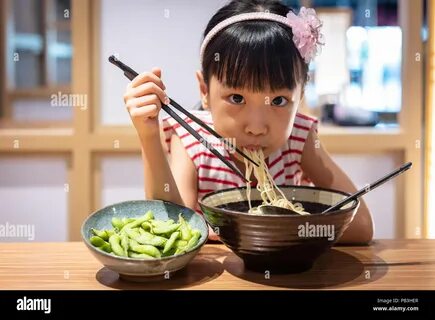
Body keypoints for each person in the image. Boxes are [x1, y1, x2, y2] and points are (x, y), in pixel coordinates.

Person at [123, 0, 373, 244]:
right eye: (236, 97)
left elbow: (360, 227)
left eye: (278, 101)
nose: (256, 126)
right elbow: (171, 229)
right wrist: (148, 135)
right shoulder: (192, 137)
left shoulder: (300, 136)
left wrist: (276, 230)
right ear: (204, 91)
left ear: (301, 97)